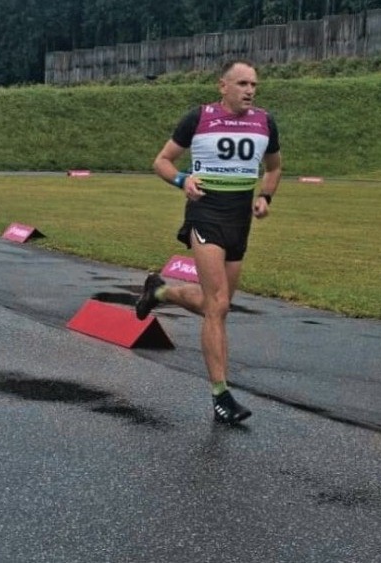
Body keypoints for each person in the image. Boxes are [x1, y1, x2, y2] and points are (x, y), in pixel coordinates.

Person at [137, 59, 282, 425]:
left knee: (215, 305)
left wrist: (265, 197)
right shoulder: (198, 118)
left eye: (254, 85)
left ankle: (159, 293)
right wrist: (182, 180)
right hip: (206, 215)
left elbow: (274, 166)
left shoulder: (265, 122)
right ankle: (221, 396)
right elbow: (162, 161)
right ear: (223, 86)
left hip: (239, 220)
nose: (250, 90)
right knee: (217, 306)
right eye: (243, 84)